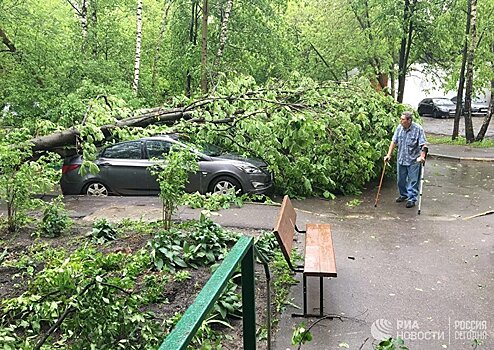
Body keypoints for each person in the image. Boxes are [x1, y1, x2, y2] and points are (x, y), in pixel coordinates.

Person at [384, 111, 427, 208]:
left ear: (409, 120)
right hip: (402, 159)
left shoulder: (418, 129)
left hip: (413, 160)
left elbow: (423, 145)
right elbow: (394, 141)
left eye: (402, 119)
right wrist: (388, 154)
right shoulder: (399, 128)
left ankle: (412, 199)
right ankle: (403, 195)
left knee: (413, 181)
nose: (400, 121)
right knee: (400, 180)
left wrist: (422, 156)